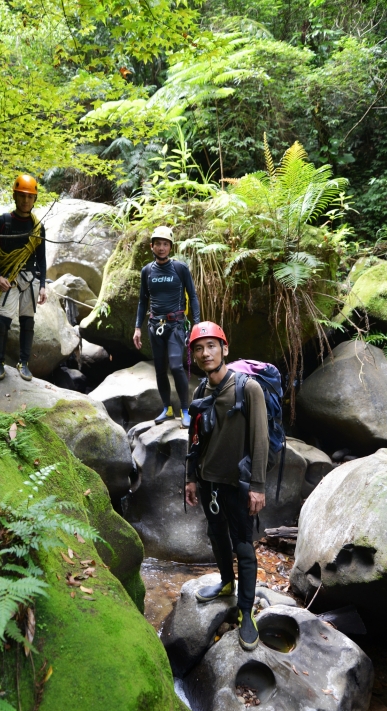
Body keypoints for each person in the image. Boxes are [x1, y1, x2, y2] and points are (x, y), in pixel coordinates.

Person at [185, 321, 269, 651]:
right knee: (216, 534)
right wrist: (192, 478)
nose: (205, 353)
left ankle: (247, 612)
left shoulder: (248, 389)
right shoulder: (200, 392)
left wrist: (258, 486)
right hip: (209, 481)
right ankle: (224, 583)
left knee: (243, 545)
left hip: (238, 484)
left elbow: (260, 439)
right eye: (198, 348)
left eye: (211, 346)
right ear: (193, 354)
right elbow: (194, 439)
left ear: (224, 348)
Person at [133, 226, 200, 428]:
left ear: (170, 247)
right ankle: (167, 409)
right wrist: (137, 327)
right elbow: (142, 301)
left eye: (165, 244)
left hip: (176, 325)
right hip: (155, 325)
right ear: (152, 246)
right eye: (158, 244)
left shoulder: (180, 268)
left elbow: (193, 296)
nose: (161, 248)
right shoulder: (147, 271)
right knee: (160, 369)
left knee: (177, 366)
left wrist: (196, 324)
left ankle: (185, 409)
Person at [0, 174, 47, 382]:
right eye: (22, 196)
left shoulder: (38, 228)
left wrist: (43, 286)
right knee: (3, 322)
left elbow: (41, 258)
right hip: (9, 279)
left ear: (35, 199)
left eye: (30, 197)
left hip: (30, 280)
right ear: (15, 196)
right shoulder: (2, 223)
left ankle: (24, 363)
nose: (25, 201)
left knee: (27, 323)